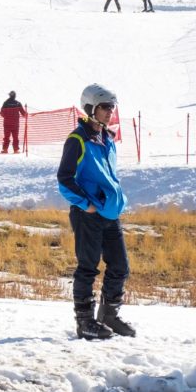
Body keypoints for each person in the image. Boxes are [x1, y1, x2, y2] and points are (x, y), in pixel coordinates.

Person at [57, 83, 134, 339]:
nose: (110, 112)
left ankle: (108, 315)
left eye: (112, 107)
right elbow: (64, 179)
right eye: (104, 107)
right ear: (91, 108)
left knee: (120, 266)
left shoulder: (108, 139)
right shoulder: (77, 140)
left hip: (110, 213)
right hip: (88, 214)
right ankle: (85, 322)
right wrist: (85, 204)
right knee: (88, 267)